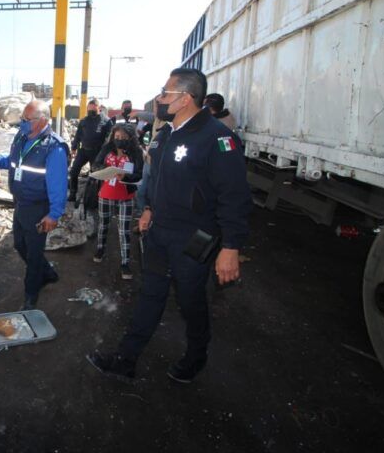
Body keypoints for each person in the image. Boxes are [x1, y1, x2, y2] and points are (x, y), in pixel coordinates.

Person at [87, 68, 252, 383]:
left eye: (165, 93)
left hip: (196, 236)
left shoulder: (218, 137)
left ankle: (195, 357)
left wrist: (231, 246)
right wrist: (148, 208)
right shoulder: (165, 135)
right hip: (160, 232)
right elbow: (158, 180)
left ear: (186, 98)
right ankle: (127, 359)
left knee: (190, 300)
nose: (159, 99)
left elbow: (234, 197)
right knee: (150, 294)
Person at [0, 101, 69, 310]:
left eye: (26, 120)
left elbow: (58, 185)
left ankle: (31, 295)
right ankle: (48, 273)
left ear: (43, 121)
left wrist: (54, 214)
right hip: (21, 203)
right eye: (21, 118)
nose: (22, 123)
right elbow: (14, 161)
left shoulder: (54, 147)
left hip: (39, 208)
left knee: (33, 252)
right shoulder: (21, 137)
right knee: (19, 245)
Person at [91, 124, 144, 280]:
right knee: (103, 224)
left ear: (130, 137)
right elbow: (95, 165)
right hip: (105, 193)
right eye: (117, 137)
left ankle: (125, 262)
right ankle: (100, 249)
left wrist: (126, 177)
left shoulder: (136, 152)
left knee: (124, 230)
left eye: (123, 137)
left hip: (125, 197)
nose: (119, 140)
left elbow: (139, 174)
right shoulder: (107, 148)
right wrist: (105, 169)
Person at [69, 98, 112, 202]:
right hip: (83, 151)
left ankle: (95, 198)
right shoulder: (84, 121)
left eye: (93, 110)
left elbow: (109, 139)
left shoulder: (106, 121)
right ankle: (73, 193)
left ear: (99, 109)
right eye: (89, 110)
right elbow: (78, 135)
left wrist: (105, 154)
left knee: (96, 175)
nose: (91, 112)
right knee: (74, 171)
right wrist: (74, 148)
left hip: (97, 153)